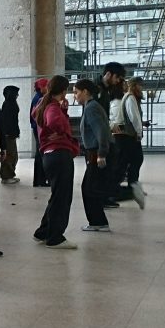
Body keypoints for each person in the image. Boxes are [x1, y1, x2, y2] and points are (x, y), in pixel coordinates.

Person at [32, 75, 79, 249]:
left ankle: (44, 231)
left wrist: (63, 111)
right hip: (59, 154)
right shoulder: (52, 106)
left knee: (57, 196)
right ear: (63, 90)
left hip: (50, 156)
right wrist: (60, 131)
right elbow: (54, 122)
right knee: (62, 197)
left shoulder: (45, 104)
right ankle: (55, 237)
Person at [73, 79, 112, 233]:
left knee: (89, 189)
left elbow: (101, 131)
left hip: (96, 153)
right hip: (93, 153)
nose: (75, 96)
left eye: (76, 92)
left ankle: (98, 222)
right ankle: (98, 221)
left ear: (86, 92)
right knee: (91, 188)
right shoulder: (90, 107)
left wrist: (101, 154)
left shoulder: (91, 108)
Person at [113, 76, 146, 208]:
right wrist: (139, 132)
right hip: (127, 136)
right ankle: (129, 187)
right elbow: (134, 117)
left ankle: (131, 187)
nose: (142, 88)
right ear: (135, 85)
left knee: (128, 162)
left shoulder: (129, 97)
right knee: (133, 160)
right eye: (140, 85)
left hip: (125, 136)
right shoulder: (131, 98)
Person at [96, 62, 126, 204]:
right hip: (98, 136)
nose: (118, 81)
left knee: (110, 166)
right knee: (100, 170)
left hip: (105, 133)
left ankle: (107, 195)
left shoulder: (106, 90)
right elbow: (96, 115)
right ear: (108, 74)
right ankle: (102, 198)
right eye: (117, 77)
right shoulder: (97, 89)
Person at [0, 85, 21, 184]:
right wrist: (8, 133)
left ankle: (10, 174)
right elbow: (7, 122)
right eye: (16, 93)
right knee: (9, 155)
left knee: (13, 155)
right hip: (8, 134)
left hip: (11, 133)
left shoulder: (10, 103)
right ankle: (6, 176)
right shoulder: (8, 104)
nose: (17, 95)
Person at [31, 77, 49, 187]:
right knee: (40, 155)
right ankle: (40, 180)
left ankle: (39, 180)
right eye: (46, 86)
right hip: (38, 130)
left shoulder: (39, 98)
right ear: (41, 88)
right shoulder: (39, 99)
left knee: (40, 155)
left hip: (37, 129)